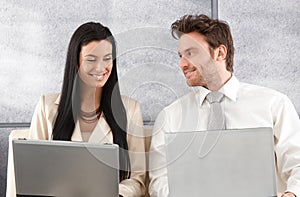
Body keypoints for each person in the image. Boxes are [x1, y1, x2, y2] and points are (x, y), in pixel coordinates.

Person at [148, 14, 300, 197]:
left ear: (220, 53)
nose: (182, 64)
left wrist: (292, 193)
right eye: (181, 55)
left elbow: (296, 163)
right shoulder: (170, 116)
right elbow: (160, 182)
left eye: (191, 53)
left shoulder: (274, 104)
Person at [6, 22, 146, 197]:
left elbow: (138, 178)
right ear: (76, 61)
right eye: (91, 59)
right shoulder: (46, 107)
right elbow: (33, 173)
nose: (101, 68)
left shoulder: (130, 109)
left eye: (107, 58)